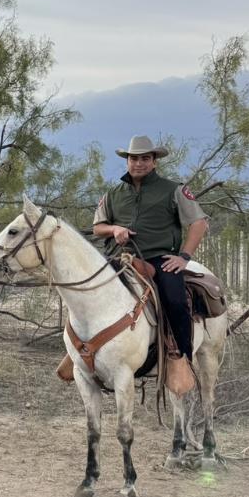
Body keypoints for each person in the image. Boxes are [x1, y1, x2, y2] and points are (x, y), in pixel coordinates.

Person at [91, 134, 209, 381]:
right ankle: (81, 353)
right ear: (127, 161)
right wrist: (114, 229)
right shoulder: (113, 193)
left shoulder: (173, 190)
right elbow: (98, 227)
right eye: (134, 158)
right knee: (87, 294)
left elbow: (198, 223)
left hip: (158, 260)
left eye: (145, 158)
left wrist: (184, 257)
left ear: (154, 161)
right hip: (118, 258)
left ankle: (182, 358)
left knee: (175, 301)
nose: (139, 163)